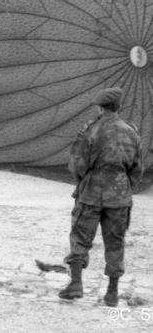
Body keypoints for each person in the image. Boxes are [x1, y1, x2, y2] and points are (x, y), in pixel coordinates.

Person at [59, 87, 143, 307]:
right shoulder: (131, 132)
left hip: (91, 192)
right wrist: (123, 187)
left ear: (99, 107)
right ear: (118, 107)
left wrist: (85, 182)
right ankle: (112, 293)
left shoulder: (91, 131)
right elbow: (137, 169)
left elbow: (77, 164)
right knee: (115, 243)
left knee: (80, 238)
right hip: (120, 195)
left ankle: (76, 284)